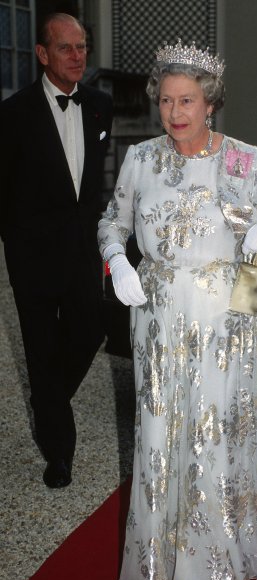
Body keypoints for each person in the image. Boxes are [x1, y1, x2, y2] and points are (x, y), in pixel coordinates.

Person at [98, 40, 257, 580]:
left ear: (211, 103)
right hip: (156, 320)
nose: (175, 113)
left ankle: (213, 567)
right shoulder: (141, 159)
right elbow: (111, 221)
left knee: (210, 436)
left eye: (188, 101)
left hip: (224, 325)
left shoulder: (244, 160)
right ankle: (160, 562)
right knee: (158, 434)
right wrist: (117, 260)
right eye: (167, 101)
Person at [0, 13, 113, 488]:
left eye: (82, 47)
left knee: (91, 329)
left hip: (83, 252)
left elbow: (92, 186)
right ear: (43, 54)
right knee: (42, 348)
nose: (77, 56)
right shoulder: (13, 113)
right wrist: (18, 247)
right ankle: (58, 454)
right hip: (34, 258)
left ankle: (47, 402)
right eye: (66, 48)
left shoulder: (100, 106)